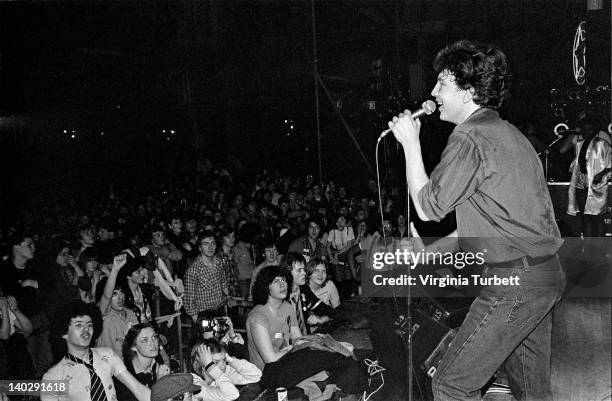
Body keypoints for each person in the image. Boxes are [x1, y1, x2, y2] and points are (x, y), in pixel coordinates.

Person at [387, 39, 565, 401]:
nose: (433, 92)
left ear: (467, 91)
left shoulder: (470, 136)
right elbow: (490, 219)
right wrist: (430, 253)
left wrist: (409, 144)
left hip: (514, 283)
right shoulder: (507, 134)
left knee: (451, 384)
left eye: (442, 84)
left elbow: (427, 207)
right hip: (543, 276)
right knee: (530, 390)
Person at [246, 265, 364, 399]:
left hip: (287, 359)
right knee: (331, 358)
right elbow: (270, 359)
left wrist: (318, 342)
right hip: (268, 374)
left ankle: (349, 389)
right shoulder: (258, 317)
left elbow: (298, 338)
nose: (282, 284)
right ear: (266, 287)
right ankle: (352, 387)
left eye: (284, 280)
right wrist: (295, 347)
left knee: (340, 352)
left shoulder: (287, 307)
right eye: (276, 281)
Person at [42, 301, 151, 401]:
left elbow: (138, 389)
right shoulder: (53, 377)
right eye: (79, 325)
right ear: (64, 332)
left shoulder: (107, 355)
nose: (86, 330)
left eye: (89, 325)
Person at [559, 111, 611, 237]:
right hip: (581, 183)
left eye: (590, 129)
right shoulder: (579, 143)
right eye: (585, 129)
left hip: (596, 183)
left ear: (595, 130)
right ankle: (589, 246)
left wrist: (601, 174)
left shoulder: (602, 143)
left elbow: (610, 163)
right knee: (585, 216)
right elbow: (570, 158)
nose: (587, 132)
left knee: (597, 217)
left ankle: (599, 246)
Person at [189, 339, 262, 401]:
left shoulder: (221, 372)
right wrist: (211, 367)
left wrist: (231, 360)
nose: (223, 366)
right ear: (201, 363)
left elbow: (256, 375)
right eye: (215, 362)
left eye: (224, 360)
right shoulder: (194, 384)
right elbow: (232, 394)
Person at [114, 323, 171, 401]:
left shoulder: (157, 364)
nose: (152, 343)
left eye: (154, 337)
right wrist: (159, 383)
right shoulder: (126, 377)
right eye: (145, 340)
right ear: (134, 347)